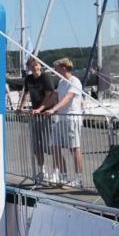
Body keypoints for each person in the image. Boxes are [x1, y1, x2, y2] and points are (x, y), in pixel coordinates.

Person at [44, 57, 85, 187]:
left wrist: (53, 109)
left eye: (56, 68)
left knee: (74, 148)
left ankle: (78, 178)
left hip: (72, 119)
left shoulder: (74, 81)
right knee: (54, 146)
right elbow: (54, 97)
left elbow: (67, 98)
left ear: (63, 68)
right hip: (60, 119)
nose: (55, 71)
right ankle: (63, 176)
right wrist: (39, 109)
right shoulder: (61, 82)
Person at [21, 57, 59, 185]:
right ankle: (42, 170)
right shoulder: (28, 79)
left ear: (40, 66)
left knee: (52, 144)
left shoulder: (46, 77)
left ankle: (56, 171)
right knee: (37, 145)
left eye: (37, 65)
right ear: (29, 68)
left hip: (48, 114)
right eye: (32, 66)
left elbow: (49, 96)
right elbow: (26, 93)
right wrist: (20, 107)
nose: (35, 68)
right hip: (36, 115)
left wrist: (40, 109)